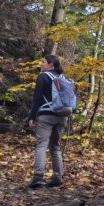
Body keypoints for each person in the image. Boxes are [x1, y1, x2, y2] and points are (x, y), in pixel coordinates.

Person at [27, 54, 68, 189]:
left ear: (51, 65)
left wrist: (32, 117)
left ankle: (38, 177)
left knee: (42, 145)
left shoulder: (43, 77)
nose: (41, 64)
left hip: (46, 115)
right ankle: (58, 177)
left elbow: (37, 99)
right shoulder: (63, 78)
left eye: (44, 62)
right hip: (62, 115)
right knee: (55, 147)